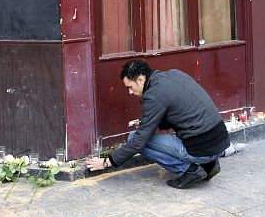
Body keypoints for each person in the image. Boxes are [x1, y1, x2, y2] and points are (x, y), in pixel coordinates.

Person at [85, 60, 230, 189]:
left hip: (201, 149)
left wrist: (107, 162)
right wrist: (146, 121)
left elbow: (138, 142)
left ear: (141, 79)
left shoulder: (153, 95)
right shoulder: (174, 74)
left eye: (130, 86)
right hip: (219, 141)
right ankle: (209, 164)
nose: (130, 92)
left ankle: (190, 170)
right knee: (145, 135)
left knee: (133, 138)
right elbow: (179, 110)